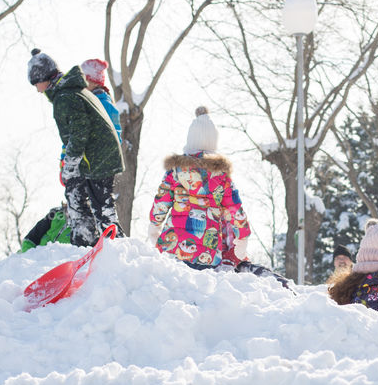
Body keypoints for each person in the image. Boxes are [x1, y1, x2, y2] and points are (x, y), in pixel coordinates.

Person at [28, 48, 125, 246]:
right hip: (96, 156)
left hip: (98, 157)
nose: (38, 90)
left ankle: (115, 246)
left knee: (97, 203)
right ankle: (85, 240)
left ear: (44, 78)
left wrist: (70, 162)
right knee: (80, 197)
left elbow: (80, 130)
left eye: (36, 84)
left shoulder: (65, 97)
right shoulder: (69, 91)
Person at [147, 106, 251, 269]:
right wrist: (242, 237)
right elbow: (234, 208)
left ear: (190, 141)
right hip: (207, 253)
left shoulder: (175, 171)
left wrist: (154, 225)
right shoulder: (222, 177)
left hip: (173, 247)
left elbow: (162, 201)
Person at [80, 58, 122, 142]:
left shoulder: (105, 105)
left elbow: (116, 136)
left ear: (95, 82)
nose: (81, 84)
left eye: (85, 80)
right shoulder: (83, 103)